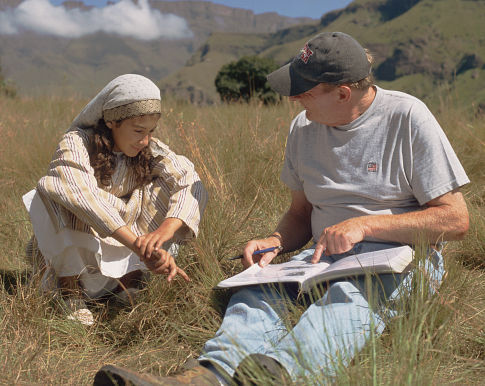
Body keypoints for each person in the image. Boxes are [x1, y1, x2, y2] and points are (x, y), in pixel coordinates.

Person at [94, 32, 469, 384]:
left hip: (398, 257)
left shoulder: (407, 117)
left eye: (303, 91)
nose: (293, 99)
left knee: (349, 298)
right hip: (322, 256)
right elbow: (301, 215)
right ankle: (209, 375)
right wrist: (275, 240)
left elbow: (455, 219)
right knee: (256, 296)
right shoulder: (303, 129)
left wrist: (365, 227)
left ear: (342, 94)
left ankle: (284, 373)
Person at [23, 74, 208, 326]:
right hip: (88, 242)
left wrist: (163, 234)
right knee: (53, 191)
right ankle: (70, 291)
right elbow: (79, 193)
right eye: (138, 130)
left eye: (151, 132)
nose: (145, 140)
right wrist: (140, 247)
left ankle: (127, 284)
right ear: (112, 121)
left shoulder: (148, 149)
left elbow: (187, 180)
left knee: (162, 187)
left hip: (125, 242)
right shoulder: (77, 142)